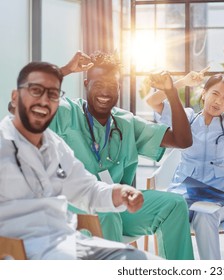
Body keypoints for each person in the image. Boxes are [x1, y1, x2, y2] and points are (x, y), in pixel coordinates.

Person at [0, 61, 160, 260]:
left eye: (52, 95)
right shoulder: (3, 145)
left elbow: (87, 190)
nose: (44, 101)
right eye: (35, 91)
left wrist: (120, 193)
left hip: (69, 242)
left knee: (147, 262)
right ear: (15, 98)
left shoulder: (55, 145)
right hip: (22, 251)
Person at [49, 51, 194, 260]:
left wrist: (171, 92)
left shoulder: (126, 122)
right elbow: (27, 105)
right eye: (98, 85)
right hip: (76, 206)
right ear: (86, 83)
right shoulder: (66, 112)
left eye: (111, 86)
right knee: (106, 209)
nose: (105, 92)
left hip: (118, 205)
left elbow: (182, 140)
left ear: (119, 87)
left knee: (174, 205)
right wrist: (65, 71)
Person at [144, 37, 224, 260]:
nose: (219, 101)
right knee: (170, 211)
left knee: (204, 216)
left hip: (215, 201)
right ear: (204, 94)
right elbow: (152, 101)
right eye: (215, 94)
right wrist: (181, 82)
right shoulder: (187, 118)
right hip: (183, 196)